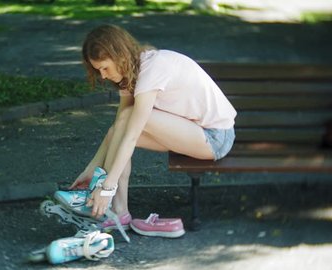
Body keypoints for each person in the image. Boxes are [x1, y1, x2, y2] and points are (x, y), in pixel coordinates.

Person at [69, 24, 237, 232]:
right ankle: (120, 212)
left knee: (130, 123)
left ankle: (108, 195)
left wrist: (107, 186)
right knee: (121, 127)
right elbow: (118, 128)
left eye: (105, 68)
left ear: (120, 56)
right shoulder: (132, 70)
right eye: (98, 70)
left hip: (215, 138)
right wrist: (92, 168)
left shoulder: (152, 70)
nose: (102, 76)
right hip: (190, 131)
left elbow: (131, 135)